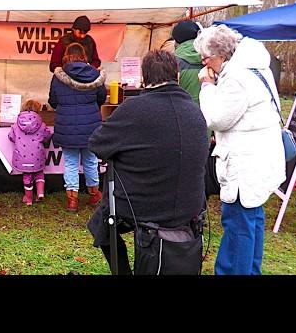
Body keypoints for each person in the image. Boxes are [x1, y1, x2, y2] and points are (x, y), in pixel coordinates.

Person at [87, 50, 208, 275]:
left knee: (101, 223)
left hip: (144, 206)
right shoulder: (196, 111)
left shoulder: (133, 109)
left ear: (144, 78)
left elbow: (97, 144)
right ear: (177, 76)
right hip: (190, 207)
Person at [193, 24, 285, 275]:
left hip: (245, 162)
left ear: (221, 54)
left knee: (238, 224)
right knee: (252, 221)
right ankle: (250, 271)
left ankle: (233, 272)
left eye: (206, 58)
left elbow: (214, 118)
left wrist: (206, 86)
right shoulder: (254, 65)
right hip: (259, 157)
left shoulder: (236, 77)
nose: (204, 64)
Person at [48, 43, 106, 211]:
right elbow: (101, 98)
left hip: (66, 126)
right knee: (90, 161)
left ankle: (72, 200)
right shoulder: (96, 75)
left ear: (67, 55)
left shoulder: (58, 76)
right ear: (84, 55)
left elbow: (53, 100)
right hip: (90, 127)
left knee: (71, 163)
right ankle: (94, 195)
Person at [8, 99, 52, 205]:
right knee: (39, 173)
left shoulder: (15, 126)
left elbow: (11, 137)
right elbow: (47, 136)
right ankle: (40, 193)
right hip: (37, 155)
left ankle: (28, 199)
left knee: (27, 176)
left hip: (22, 156)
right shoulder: (42, 125)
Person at [171, 20, 204, 104]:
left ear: (176, 41)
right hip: (208, 112)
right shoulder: (213, 58)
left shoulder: (171, 62)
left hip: (183, 111)